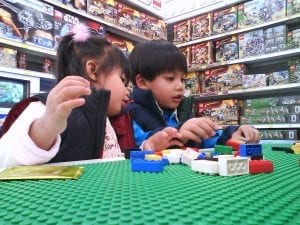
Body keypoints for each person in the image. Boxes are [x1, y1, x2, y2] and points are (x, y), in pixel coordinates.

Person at [0, 24, 180, 168]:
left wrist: (145, 148)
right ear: (93, 70)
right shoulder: (48, 108)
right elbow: (6, 157)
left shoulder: (110, 119)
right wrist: (46, 127)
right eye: (123, 80)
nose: (127, 90)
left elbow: (114, 160)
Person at [127, 40, 260, 149]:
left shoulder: (183, 112)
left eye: (183, 79)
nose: (180, 86)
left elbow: (208, 137)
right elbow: (139, 145)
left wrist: (233, 134)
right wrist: (179, 134)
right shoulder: (131, 115)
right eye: (170, 78)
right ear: (142, 82)